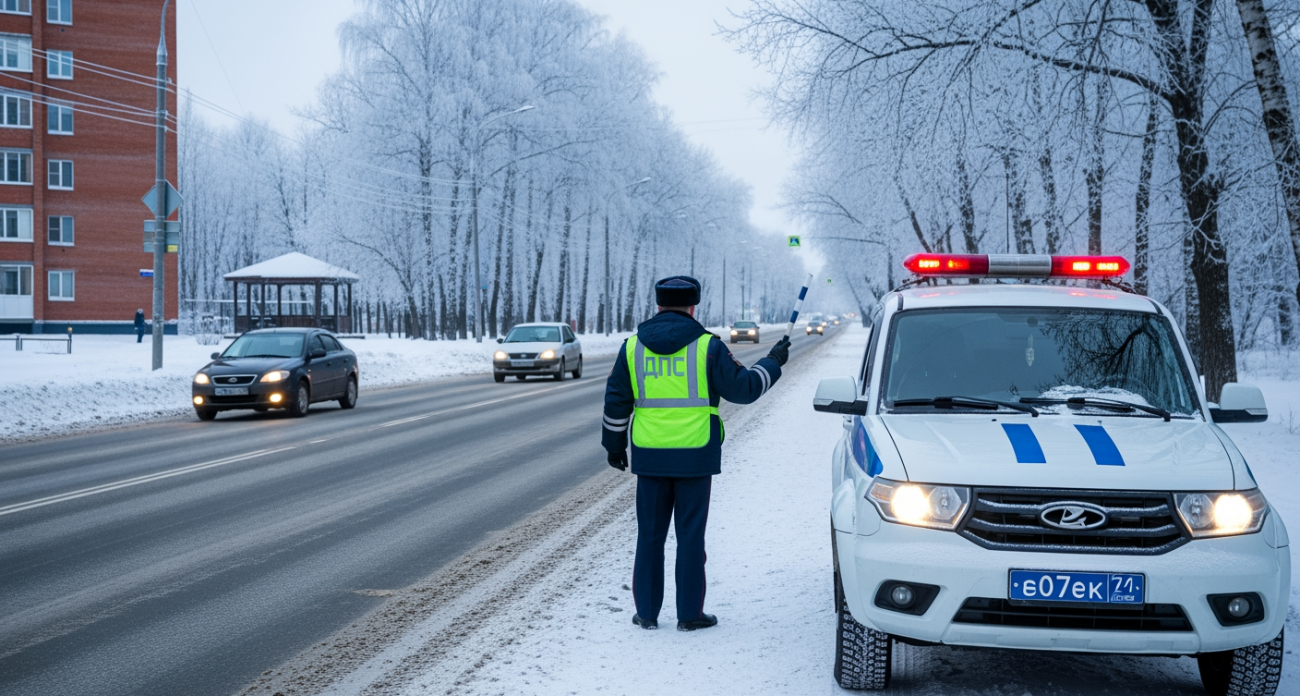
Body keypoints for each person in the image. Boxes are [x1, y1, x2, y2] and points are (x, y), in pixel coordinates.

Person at [602, 275, 791, 632]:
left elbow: (615, 403)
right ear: (693, 306)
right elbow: (746, 389)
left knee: (649, 537)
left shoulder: (632, 347)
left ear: (658, 305)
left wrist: (614, 447)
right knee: (690, 538)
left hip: (650, 455)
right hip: (695, 456)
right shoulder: (708, 347)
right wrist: (773, 362)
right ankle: (690, 615)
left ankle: (647, 614)